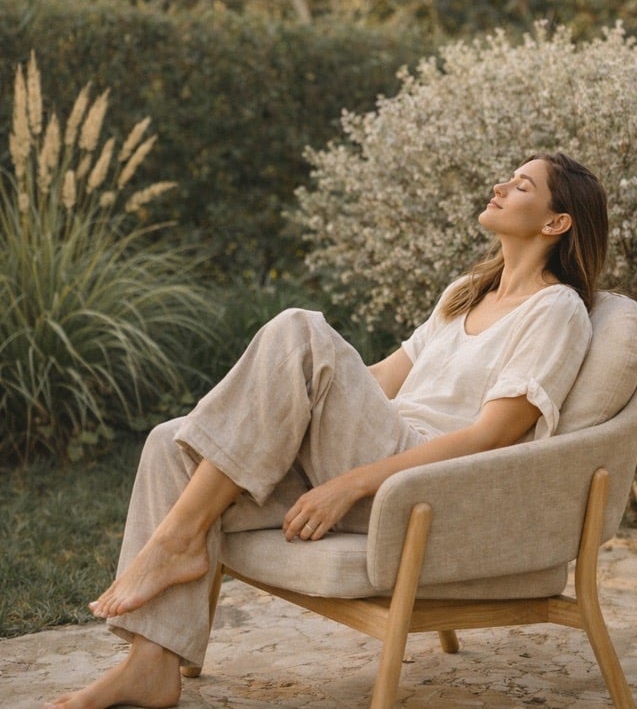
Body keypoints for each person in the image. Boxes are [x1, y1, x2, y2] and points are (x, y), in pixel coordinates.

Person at [43, 151, 608, 709]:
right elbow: (382, 378)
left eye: (523, 186)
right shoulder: (465, 294)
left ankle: (177, 540)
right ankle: (150, 667)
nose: (502, 186)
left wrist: (354, 482)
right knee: (174, 441)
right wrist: (269, 404)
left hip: (427, 486)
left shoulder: (555, 311)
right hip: (381, 446)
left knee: (300, 329)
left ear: (557, 223)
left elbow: (492, 435)